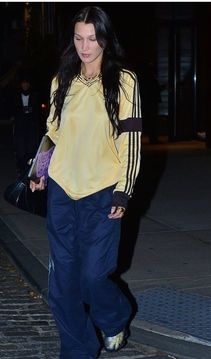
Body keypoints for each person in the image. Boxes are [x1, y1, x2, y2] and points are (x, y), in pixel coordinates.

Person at [30, 6, 142, 359]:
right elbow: (53, 133)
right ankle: (77, 351)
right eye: (79, 38)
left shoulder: (124, 81)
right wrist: (39, 171)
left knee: (94, 277)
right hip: (63, 192)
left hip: (103, 192)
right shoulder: (62, 79)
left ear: (105, 39)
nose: (85, 46)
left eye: (92, 38)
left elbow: (131, 141)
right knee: (62, 285)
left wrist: (124, 191)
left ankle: (115, 317)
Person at [12, 75, 40, 175]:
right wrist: (21, 111)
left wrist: (32, 110)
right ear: (21, 84)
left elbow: (38, 111)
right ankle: (20, 168)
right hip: (20, 124)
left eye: (27, 83)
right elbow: (12, 109)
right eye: (23, 83)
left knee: (31, 147)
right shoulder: (16, 95)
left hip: (31, 125)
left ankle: (29, 169)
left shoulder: (35, 94)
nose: (25, 85)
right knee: (20, 147)